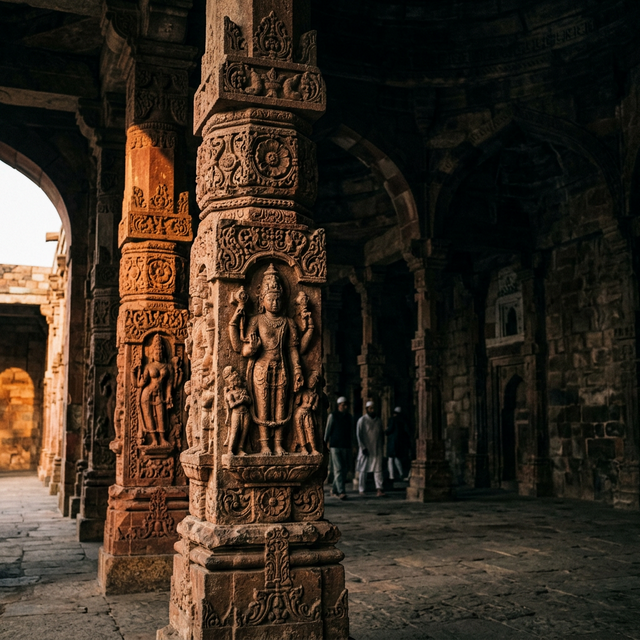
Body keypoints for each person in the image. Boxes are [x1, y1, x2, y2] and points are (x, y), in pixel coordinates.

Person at [324, 396, 354, 500]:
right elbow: (328, 430)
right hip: (335, 445)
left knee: (344, 469)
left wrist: (353, 445)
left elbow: (351, 432)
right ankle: (341, 491)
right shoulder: (333, 416)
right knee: (338, 469)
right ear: (339, 406)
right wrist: (325, 442)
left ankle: (335, 489)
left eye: (346, 405)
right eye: (343, 405)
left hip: (346, 445)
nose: (345, 407)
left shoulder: (349, 417)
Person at [356, 400, 385, 497]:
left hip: (377, 449)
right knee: (363, 470)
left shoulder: (378, 421)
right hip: (366, 450)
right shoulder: (362, 420)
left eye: (373, 408)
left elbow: (381, 435)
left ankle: (379, 489)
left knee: (378, 470)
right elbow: (358, 435)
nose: (372, 410)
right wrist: (362, 447)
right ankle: (361, 489)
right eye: (370, 408)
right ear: (367, 409)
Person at [386, 406, 408, 483]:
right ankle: (401, 474)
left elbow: (389, 430)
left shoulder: (392, 420)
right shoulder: (402, 421)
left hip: (392, 442)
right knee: (397, 458)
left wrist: (385, 431)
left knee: (390, 459)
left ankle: (391, 476)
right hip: (399, 442)